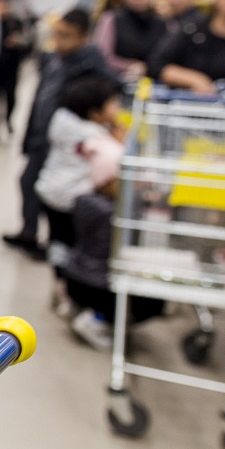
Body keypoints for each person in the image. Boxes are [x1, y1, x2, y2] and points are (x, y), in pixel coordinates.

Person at [3, 9, 116, 259]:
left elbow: (108, 92)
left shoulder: (91, 63)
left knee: (52, 192)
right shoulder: (53, 58)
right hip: (41, 135)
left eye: (68, 36)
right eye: (58, 35)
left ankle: (55, 243)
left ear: (83, 37)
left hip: (65, 143)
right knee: (28, 182)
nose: (61, 41)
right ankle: (29, 232)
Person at [57, 137, 164, 351]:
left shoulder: (84, 202)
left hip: (75, 278)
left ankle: (78, 308)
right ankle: (97, 322)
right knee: (153, 301)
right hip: (98, 286)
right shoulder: (116, 215)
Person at [35, 74, 123, 262]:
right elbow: (115, 155)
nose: (117, 108)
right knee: (72, 242)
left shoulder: (62, 121)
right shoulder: (95, 138)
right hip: (72, 198)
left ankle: (57, 271)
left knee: (57, 238)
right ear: (94, 113)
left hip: (50, 189)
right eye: (113, 104)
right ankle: (65, 276)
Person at [92, 0, 167, 81]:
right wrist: (128, 66)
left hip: (155, 84)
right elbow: (102, 57)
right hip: (116, 82)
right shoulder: (111, 19)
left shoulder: (162, 23)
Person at [0, 0, 32, 137]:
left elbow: (28, 41)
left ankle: (8, 120)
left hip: (12, 67)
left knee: (10, 97)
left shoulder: (15, 22)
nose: (1, 9)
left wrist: (18, 42)